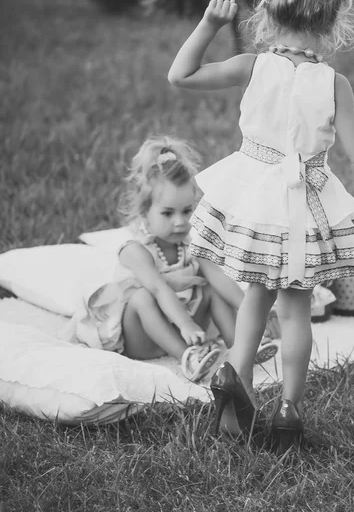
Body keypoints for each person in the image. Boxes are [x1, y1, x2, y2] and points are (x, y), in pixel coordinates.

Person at [167, 0, 354, 447]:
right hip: (302, 207)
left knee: (255, 295)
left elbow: (180, 75)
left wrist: (207, 25)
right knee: (295, 308)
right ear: (335, 18)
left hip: (254, 199)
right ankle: (289, 409)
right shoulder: (334, 84)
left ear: (268, 9)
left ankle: (236, 375)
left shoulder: (251, 65)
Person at [74, 135, 278, 383]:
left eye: (186, 211)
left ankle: (243, 344)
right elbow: (159, 289)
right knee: (141, 297)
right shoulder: (135, 251)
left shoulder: (191, 245)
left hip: (186, 329)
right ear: (144, 213)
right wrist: (185, 324)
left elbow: (219, 277)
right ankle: (188, 359)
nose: (180, 221)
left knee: (211, 288)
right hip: (144, 339)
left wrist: (254, 311)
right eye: (168, 213)